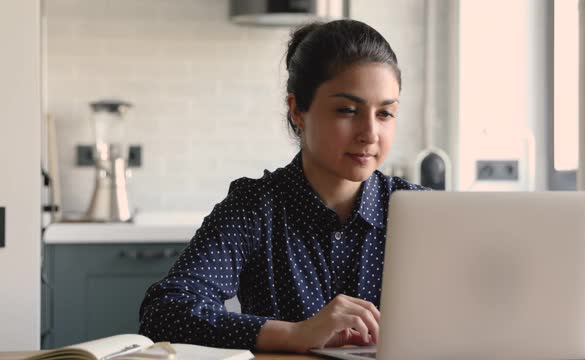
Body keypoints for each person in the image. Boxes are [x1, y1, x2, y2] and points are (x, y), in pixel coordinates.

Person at [138, 19, 426, 353]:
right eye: (347, 110)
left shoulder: (421, 213)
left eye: (385, 114)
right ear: (297, 111)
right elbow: (164, 312)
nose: (370, 133)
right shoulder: (254, 207)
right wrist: (296, 334)